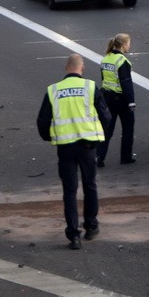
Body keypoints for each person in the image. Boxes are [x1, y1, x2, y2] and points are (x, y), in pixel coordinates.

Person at [36, 53, 110, 250]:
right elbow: (106, 116)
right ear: (82, 68)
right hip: (87, 146)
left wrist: (50, 137)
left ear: (66, 67)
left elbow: (43, 121)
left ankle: (73, 234)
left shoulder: (53, 90)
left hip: (66, 147)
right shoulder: (90, 87)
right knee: (90, 185)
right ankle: (91, 226)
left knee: (69, 191)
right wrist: (98, 136)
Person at [96, 33, 136, 167]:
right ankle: (126, 157)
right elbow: (126, 82)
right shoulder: (122, 61)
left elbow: (104, 79)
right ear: (124, 45)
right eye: (129, 43)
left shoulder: (106, 59)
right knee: (128, 128)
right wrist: (131, 101)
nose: (130, 45)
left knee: (107, 129)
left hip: (107, 97)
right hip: (121, 99)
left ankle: (99, 157)